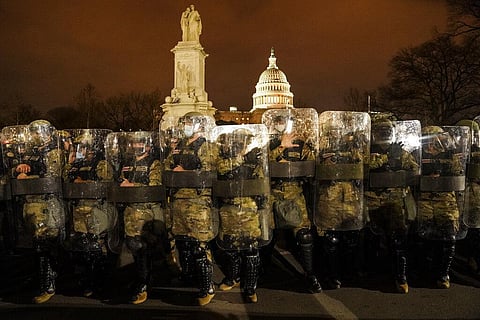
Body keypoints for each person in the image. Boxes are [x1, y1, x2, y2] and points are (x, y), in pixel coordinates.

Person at [262, 109, 322, 293]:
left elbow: (311, 168)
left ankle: (310, 274)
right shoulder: (268, 145)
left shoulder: (302, 146)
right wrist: (280, 148)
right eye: (278, 121)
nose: (281, 124)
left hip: (294, 194)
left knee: (304, 235)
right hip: (271, 194)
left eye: (284, 121)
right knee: (267, 236)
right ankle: (263, 270)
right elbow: (262, 165)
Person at [6, 120, 65, 303]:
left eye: (36, 133)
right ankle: (41, 280)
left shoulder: (54, 151)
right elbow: (11, 172)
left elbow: (52, 176)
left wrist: (27, 174)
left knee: (45, 245)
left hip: (47, 205)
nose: (33, 137)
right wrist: (17, 169)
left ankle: (48, 285)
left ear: (46, 134)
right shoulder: (31, 153)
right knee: (36, 246)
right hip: (30, 204)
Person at [162, 112, 217, 306]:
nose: (184, 126)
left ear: (198, 126)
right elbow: (168, 166)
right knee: (183, 243)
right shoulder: (181, 146)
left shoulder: (207, 146)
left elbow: (208, 173)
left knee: (199, 245)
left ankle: (207, 286)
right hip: (178, 200)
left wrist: (183, 172)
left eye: (187, 123)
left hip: (197, 202)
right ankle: (189, 277)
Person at [214, 126, 271, 303]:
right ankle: (233, 277)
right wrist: (241, 158)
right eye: (237, 142)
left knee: (251, 250)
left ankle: (250, 287)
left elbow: (262, 182)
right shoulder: (225, 160)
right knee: (231, 247)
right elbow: (223, 171)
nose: (240, 145)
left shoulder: (255, 161)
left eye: (243, 142)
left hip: (250, 210)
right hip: (230, 210)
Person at [106, 131, 165, 304]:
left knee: (141, 248)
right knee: (133, 248)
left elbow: (154, 186)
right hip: (129, 212)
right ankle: (143, 279)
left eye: (140, 143)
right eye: (134, 144)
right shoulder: (128, 163)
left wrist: (132, 185)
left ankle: (143, 285)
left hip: (145, 212)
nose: (136, 146)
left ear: (147, 146)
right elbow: (119, 181)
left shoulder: (153, 163)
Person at [365, 115, 420, 293]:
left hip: (395, 202)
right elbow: (365, 166)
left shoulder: (401, 152)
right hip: (371, 201)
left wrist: (398, 169)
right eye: (381, 130)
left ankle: (400, 277)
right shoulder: (368, 150)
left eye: (387, 130)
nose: (384, 133)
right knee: (371, 238)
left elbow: (414, 171)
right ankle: (371, 273)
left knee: (397, 240)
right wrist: (387, 159)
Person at [315, 111, 370, 289]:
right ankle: (332, 274)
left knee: (351, 236)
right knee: (331, 238)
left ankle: (350, 271)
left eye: (337, 132)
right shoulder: (319, 147)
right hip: (330, 197)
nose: (335, 135)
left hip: (350, 196)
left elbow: (364, 164)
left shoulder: (353, 147)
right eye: (331, 132)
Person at [63, 129, 117, 297]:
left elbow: (107, 185)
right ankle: (87, 281)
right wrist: (69, 163)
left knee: (97, 247)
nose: (82, 151)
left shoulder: (101, 164)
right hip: (80, 209)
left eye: (84, 147)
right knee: (82, 246)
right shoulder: (77, 164)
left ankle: (100, 282)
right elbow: (65, 180)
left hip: (96, 209)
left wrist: (84, 182)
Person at [416, 125, 468, 289]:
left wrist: (445, 167)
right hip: (424, 201)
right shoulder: (417, 156)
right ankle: (426, 272)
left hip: (446, 201)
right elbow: (409, 172)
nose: (431, 145)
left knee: (448, 237)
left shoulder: (450, 156)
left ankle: (443, 273)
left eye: (435, 140)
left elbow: (460, 171)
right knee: (425, 238)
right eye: (428, 141)